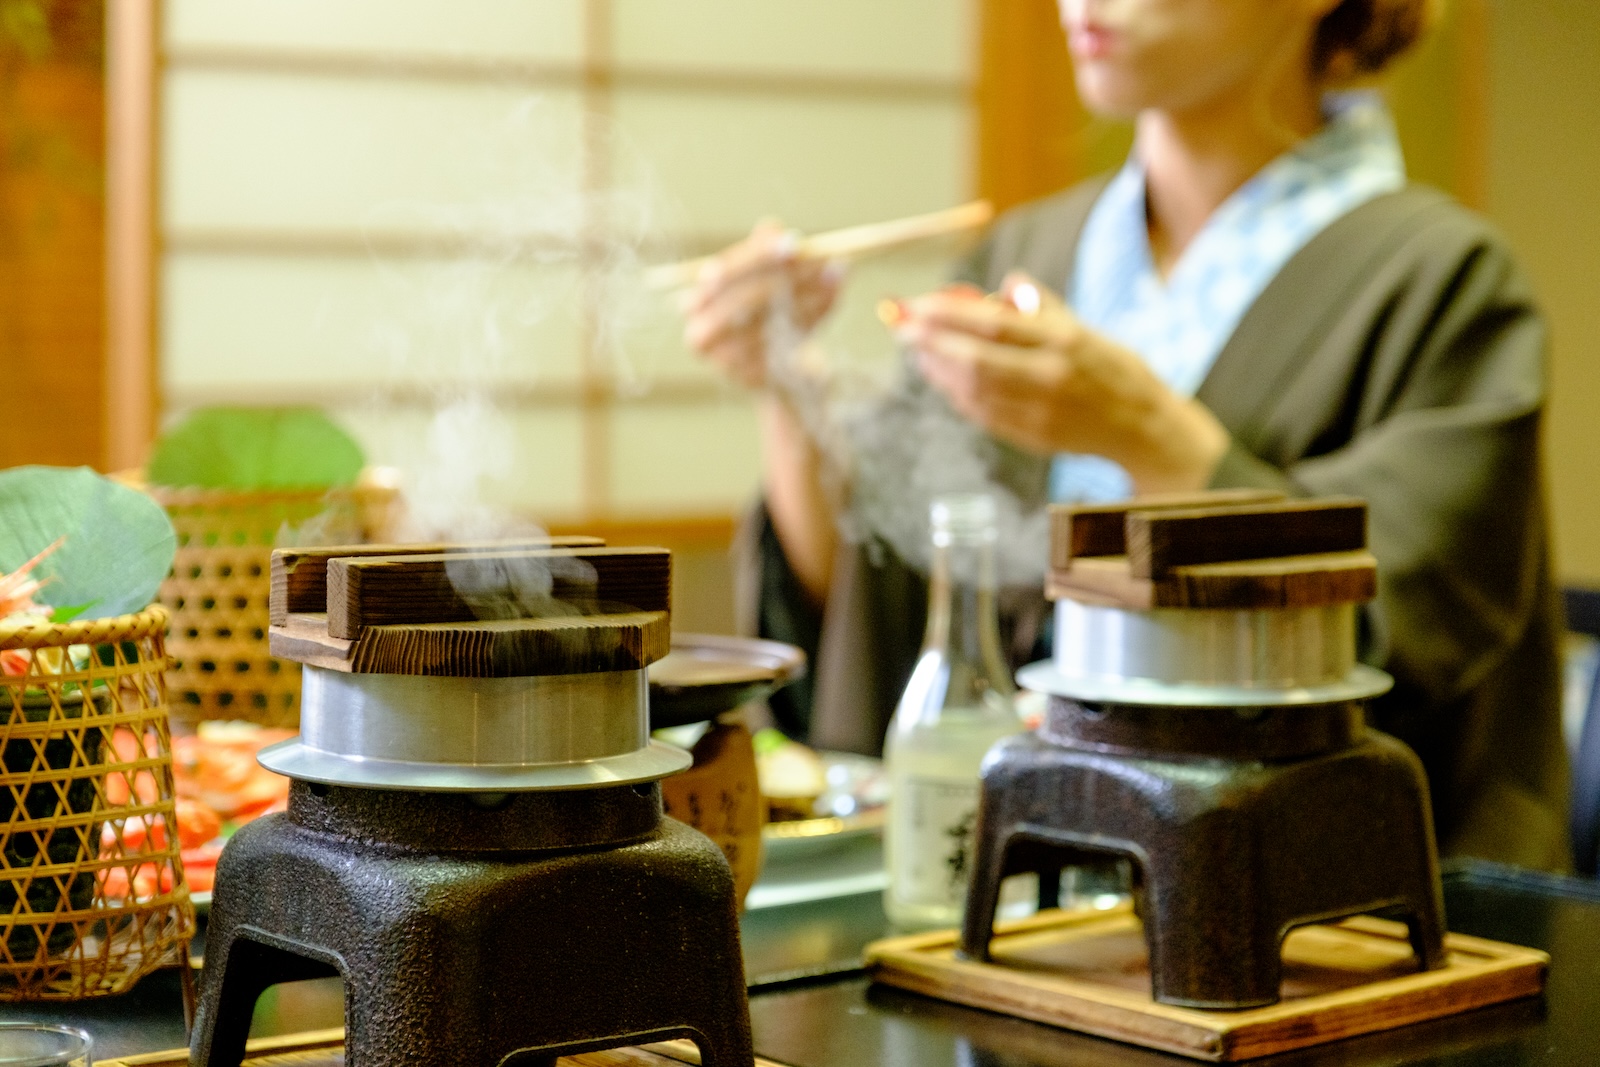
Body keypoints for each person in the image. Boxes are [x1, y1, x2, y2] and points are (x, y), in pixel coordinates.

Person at [679, 0, 1570, 870]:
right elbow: (886, 606)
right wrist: (786, 385)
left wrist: (1146, 433)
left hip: (1298, 897)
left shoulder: (1445, 282)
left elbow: (1401, 623)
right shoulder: (1023, 255)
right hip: (1017, 880)